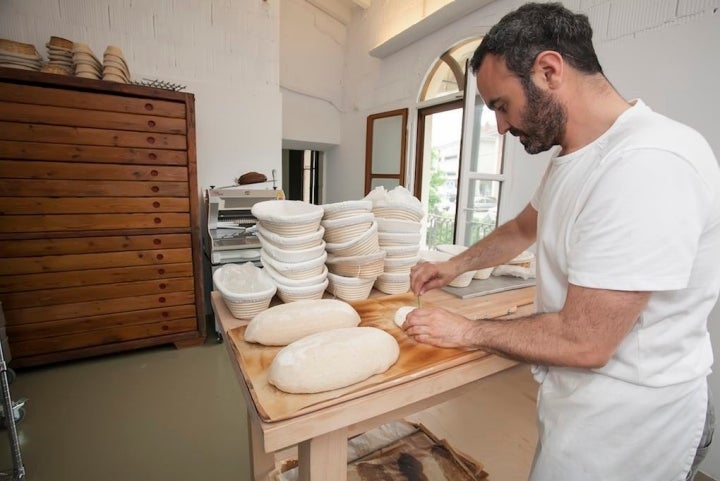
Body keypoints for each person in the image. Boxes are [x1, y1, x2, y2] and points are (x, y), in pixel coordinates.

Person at [404, 3, 720, 480]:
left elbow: (585, 339)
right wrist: (454, 266)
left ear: (549, 70)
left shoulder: (647, 163)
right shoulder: (577, 157)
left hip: (634, 420)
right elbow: (522, 228)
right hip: (583, 400)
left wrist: (467, 331)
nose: (502, 127)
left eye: (501, 106)